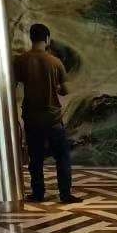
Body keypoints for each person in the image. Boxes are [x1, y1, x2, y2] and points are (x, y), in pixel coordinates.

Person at [12, 23, 79, 204]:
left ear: (31, 38)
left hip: (31, 118)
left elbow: (13, 85)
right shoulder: (55, 62)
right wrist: (55, 87)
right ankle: (65, 194)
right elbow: (65, 90)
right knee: (62, 157)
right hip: (53, 118)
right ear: (47, 39)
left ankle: (38, 193)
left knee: (35, 158)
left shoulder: (20, 61)